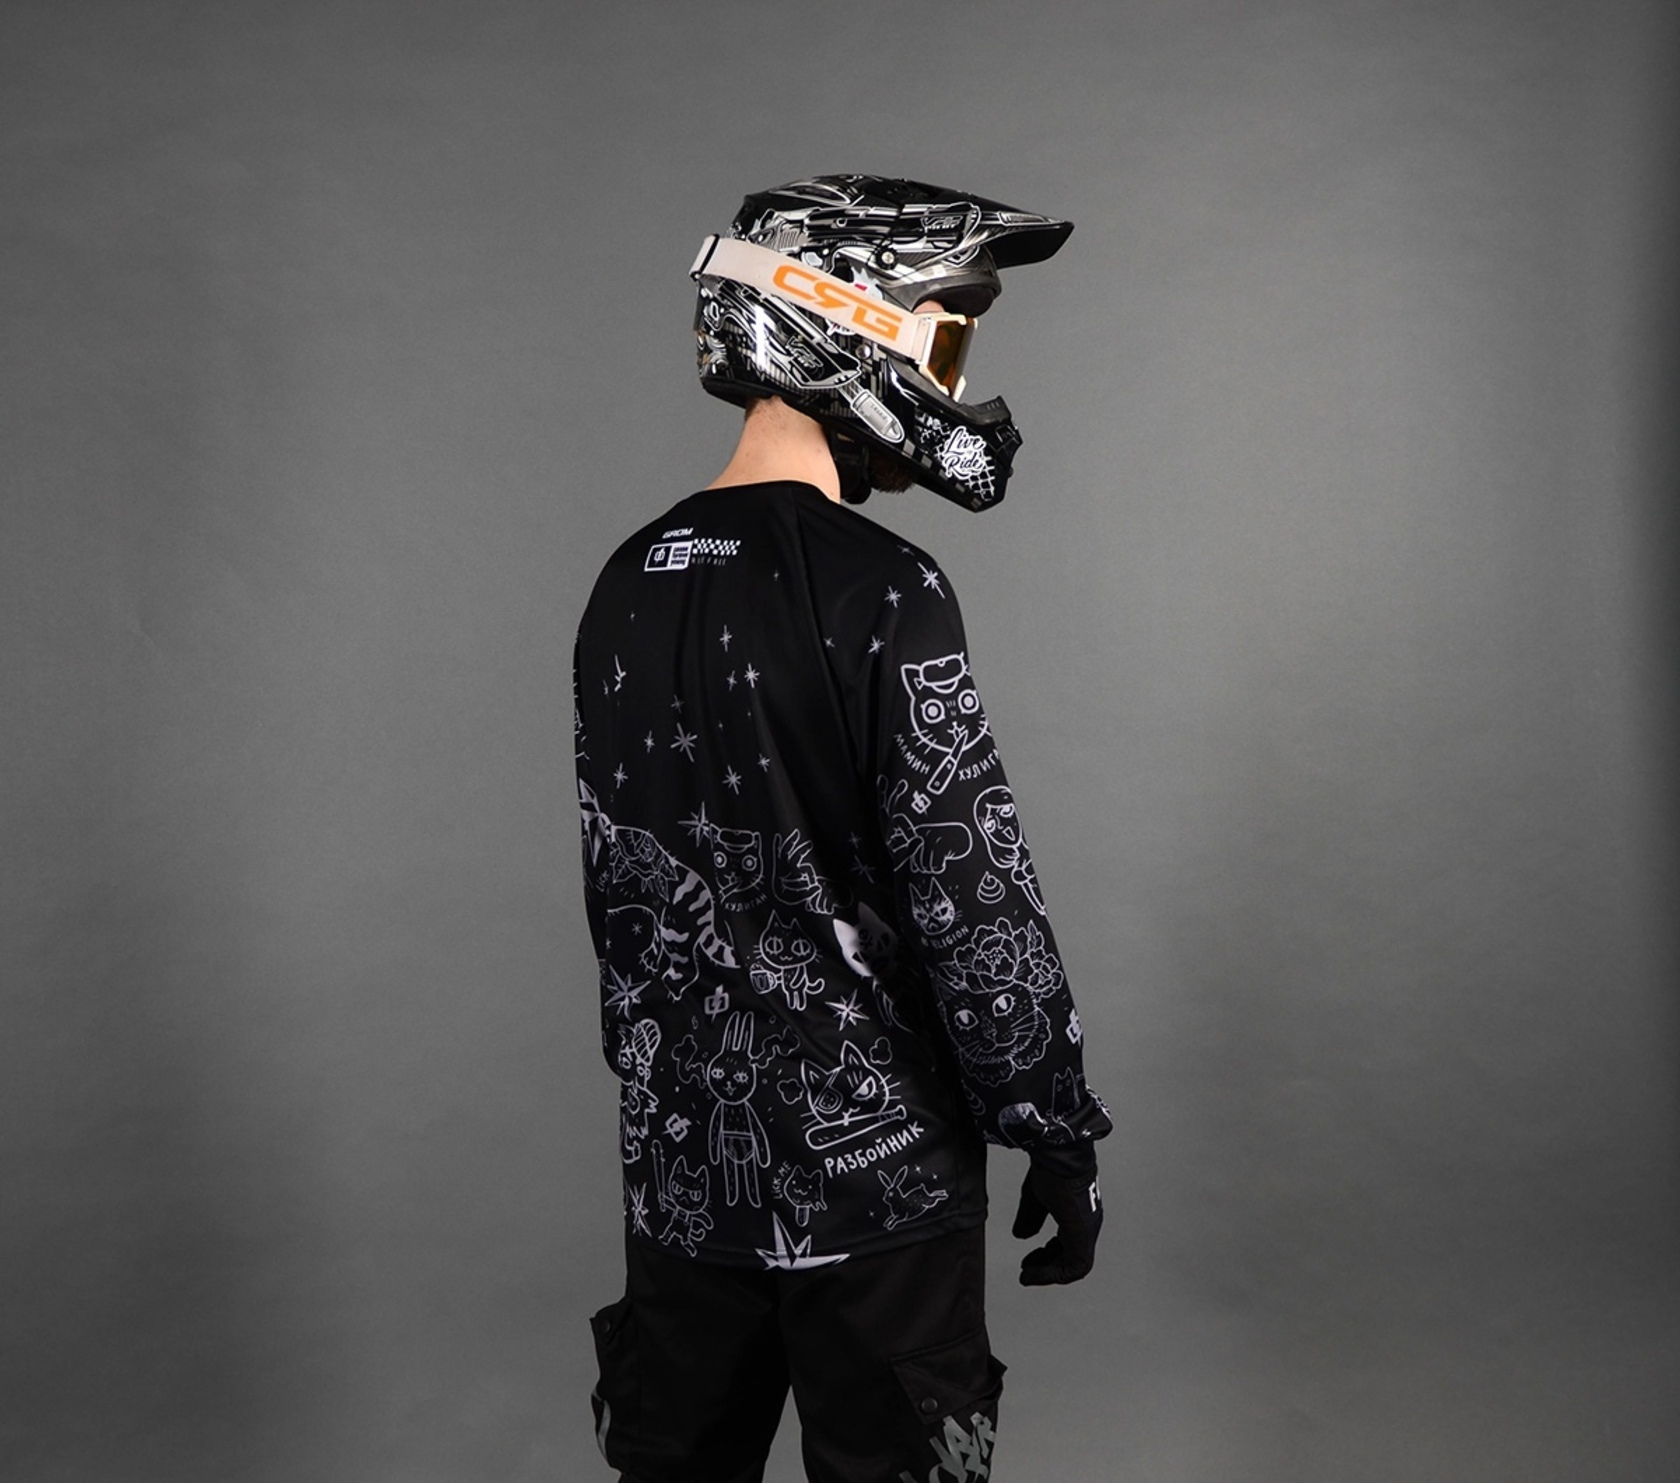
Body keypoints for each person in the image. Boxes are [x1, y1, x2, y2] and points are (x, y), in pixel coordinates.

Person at [574, 175, 1111, 1483]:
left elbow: (624, 891)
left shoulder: (625, 583)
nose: (951, 377)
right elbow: (972, 894)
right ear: (848, 320)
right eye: (943, 336)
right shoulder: (886, 587)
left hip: (683, 1185)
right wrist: (1052, 1123)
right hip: (884, 1198)